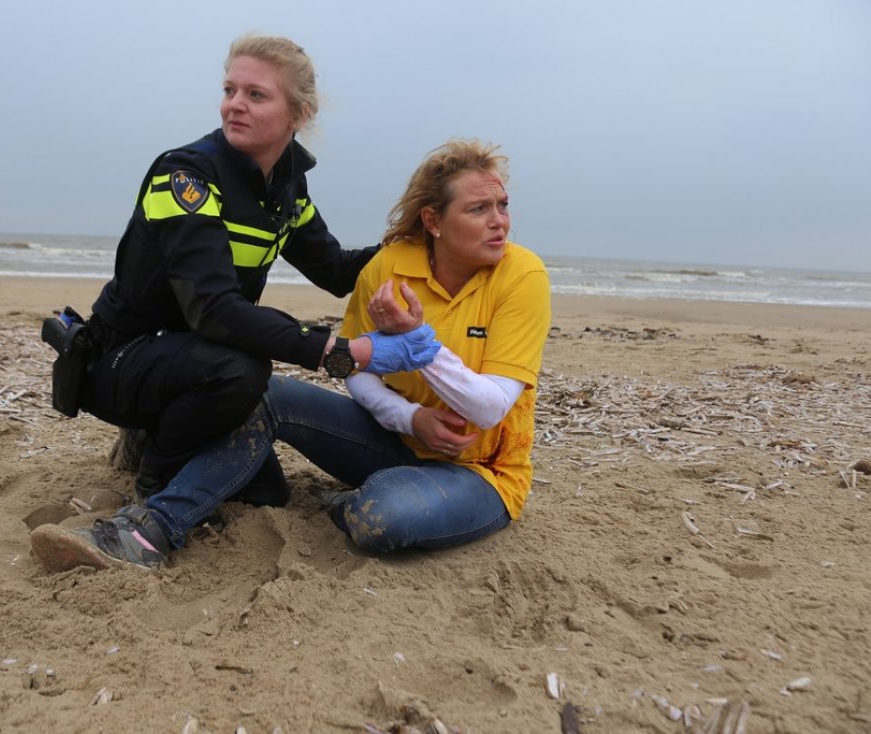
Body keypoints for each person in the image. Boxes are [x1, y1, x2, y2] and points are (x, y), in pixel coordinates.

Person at [30, 139, 551, 570]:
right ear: (434, 221)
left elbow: (487, 408)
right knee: (264, 393)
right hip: (390, 440)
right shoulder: (391, 267)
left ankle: (360, 501)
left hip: (480, 468)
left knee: (381, 519)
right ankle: (151, 529)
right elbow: (359, 374)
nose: (499, 221)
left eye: (502, 206)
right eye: (478, 208)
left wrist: (420, 344)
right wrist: (410, 417)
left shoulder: (522, 275)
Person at [80, 34, 381, 501]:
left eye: (255, 94)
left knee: (268, 495)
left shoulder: (289, 189)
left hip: (198, 361)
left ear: (298, 114)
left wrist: (415, 241)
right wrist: (332, 350)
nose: (233, 105)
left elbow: (338, 272)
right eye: (229, 90)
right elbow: (213, 311)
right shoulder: (186, 175)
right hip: (123, 360)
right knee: (241, 370)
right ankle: (155, 480)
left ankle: (156, 433)